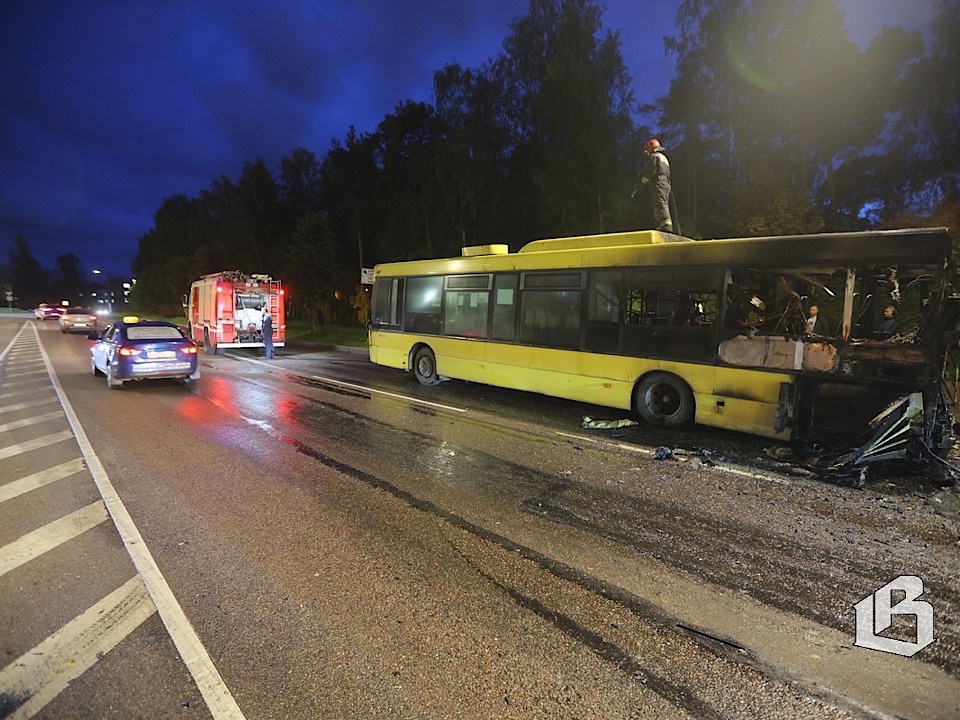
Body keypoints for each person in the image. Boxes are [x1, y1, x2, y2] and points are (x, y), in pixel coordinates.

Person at [635, 138, 674, 232]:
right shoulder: (663, 157)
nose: (646, 151)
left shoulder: (655, 156)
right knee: (661, 202)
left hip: (659, 183)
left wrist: (641, 182)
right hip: (665, 183)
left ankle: (666, 226)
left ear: (652, 147)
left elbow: (650, 171)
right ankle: (661, 225)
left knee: (660, 203)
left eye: (647, 148)